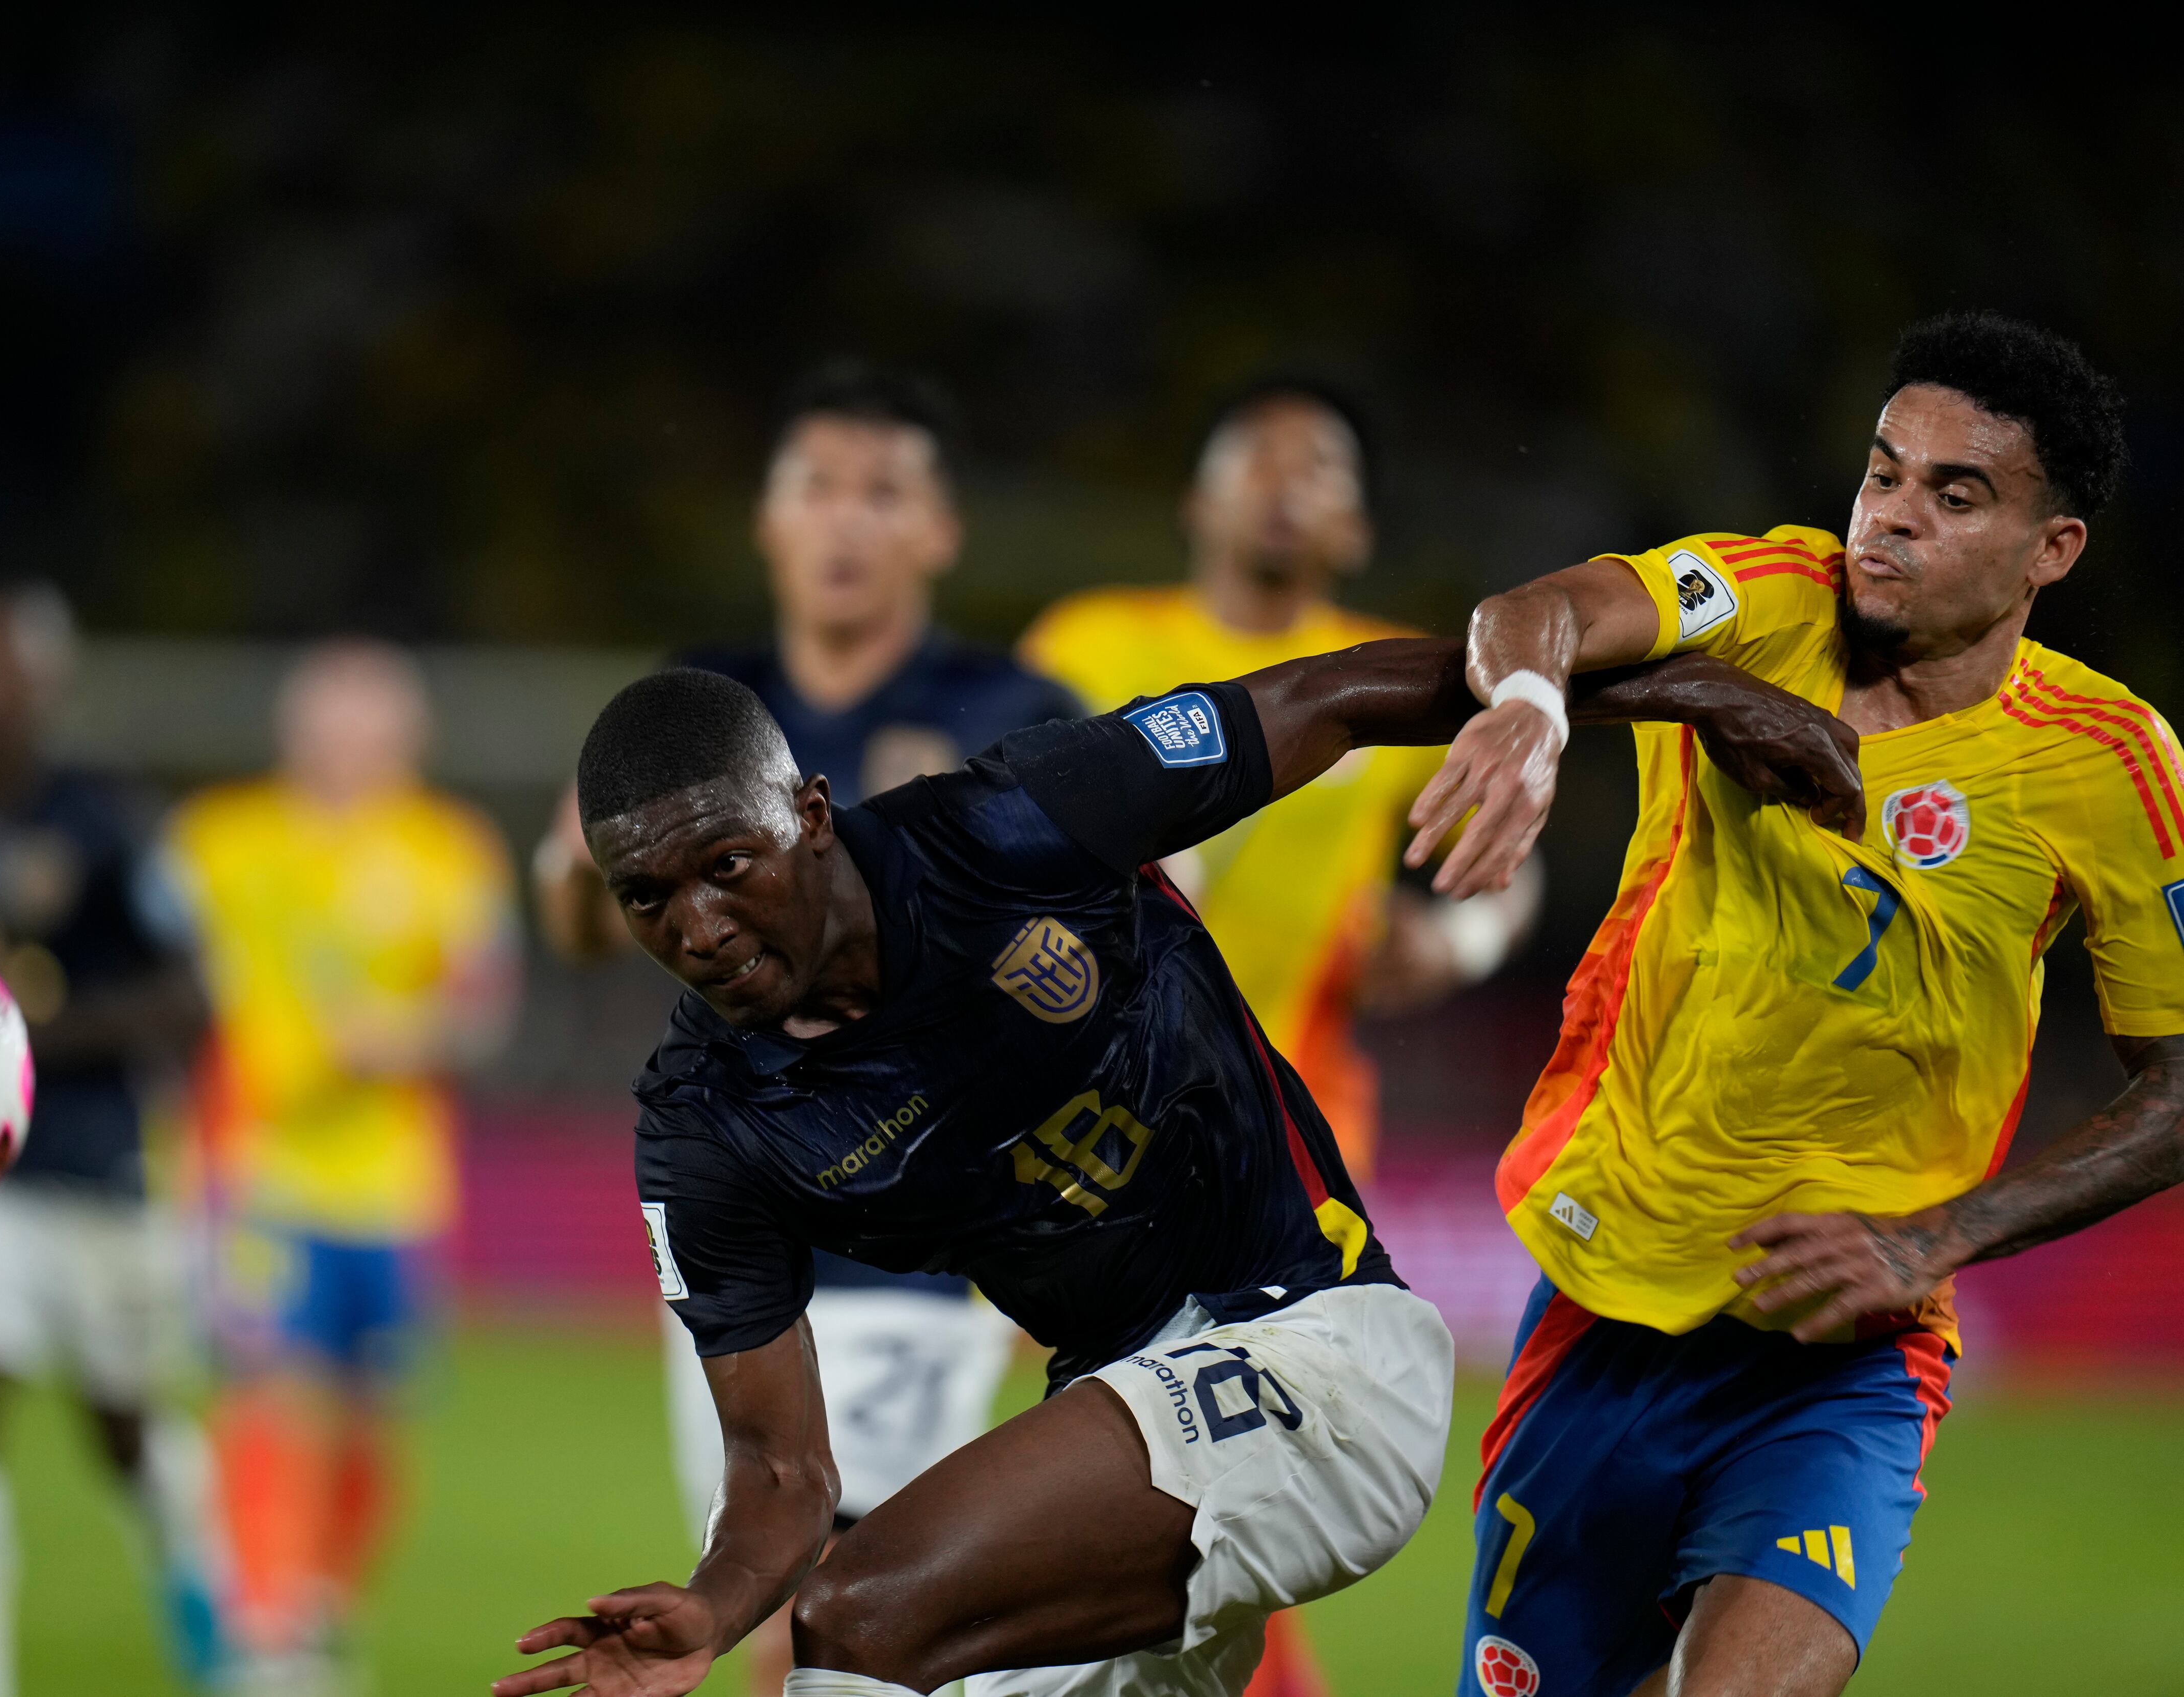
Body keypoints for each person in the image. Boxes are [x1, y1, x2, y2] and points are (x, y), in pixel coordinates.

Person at [496, 640, 1857, 1697]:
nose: (699, 925)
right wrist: (711, 1602)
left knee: (854, 1615)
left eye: (726, 865)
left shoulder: (1013, 824)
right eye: (649, 898)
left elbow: (1340, 693)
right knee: (846, 1641)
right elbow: (780, 1470)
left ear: (808, 811)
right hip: (1134, 1423)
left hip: (1322, 1349)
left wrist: (1682, 694)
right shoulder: (706, 1121)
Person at [1405, 313, 2184, 1697]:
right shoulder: (1768, 600)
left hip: (1848, 1347)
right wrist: (1534, 697)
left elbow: (2177, 1082)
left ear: (2051, 549)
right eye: (1885, 473)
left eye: (1957, 495)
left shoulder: (2112, 764)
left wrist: (1937, 1233)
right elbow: (1547, 608)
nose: (1891, 517)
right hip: (1610, 1296)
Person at [534, 362, 1075, 1695]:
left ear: (939, 531)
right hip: (747, 1216)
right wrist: (573, 868)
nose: (846, 520)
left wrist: (933, 848)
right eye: (816, 487)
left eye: (883, 492)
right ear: (769, 522)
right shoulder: (702, 704)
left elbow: (1095, 955)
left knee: (830, 1603)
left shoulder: (1016, 712)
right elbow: (579, 920)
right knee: (782, 1592)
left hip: (921, 1224)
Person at [1023, 375, 1537, 1187]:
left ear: (1359, 530)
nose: (1284, 483)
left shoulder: (1405, 676)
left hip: (1293, 1120)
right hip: (1080, 1100)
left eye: (1318, 466)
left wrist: (1458, 941)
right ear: (1197, 500)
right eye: (1257, 456)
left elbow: (1516, 848)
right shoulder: (1082, 646)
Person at [0, 580, 228, 1697]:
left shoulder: (109, 819)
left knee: (121, 1425)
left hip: (97, 1163)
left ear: (48, 683)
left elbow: (194, 994)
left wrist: (43, 1030)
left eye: (9, 669)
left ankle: (202, 1576)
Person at [166, 639, 522, 1690]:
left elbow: (485, 1008)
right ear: (293, 729)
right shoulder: (217, 840)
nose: (348, 741)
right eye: (330, 719)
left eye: (370, 722)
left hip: (397, 1187)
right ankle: (264, 1626)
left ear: (409, 737)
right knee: (272, 1396)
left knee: (374, 1426)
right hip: (256, 1169)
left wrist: (404, 1037)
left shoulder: (450, 850)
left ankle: (316, 1600)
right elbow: (154, 970)